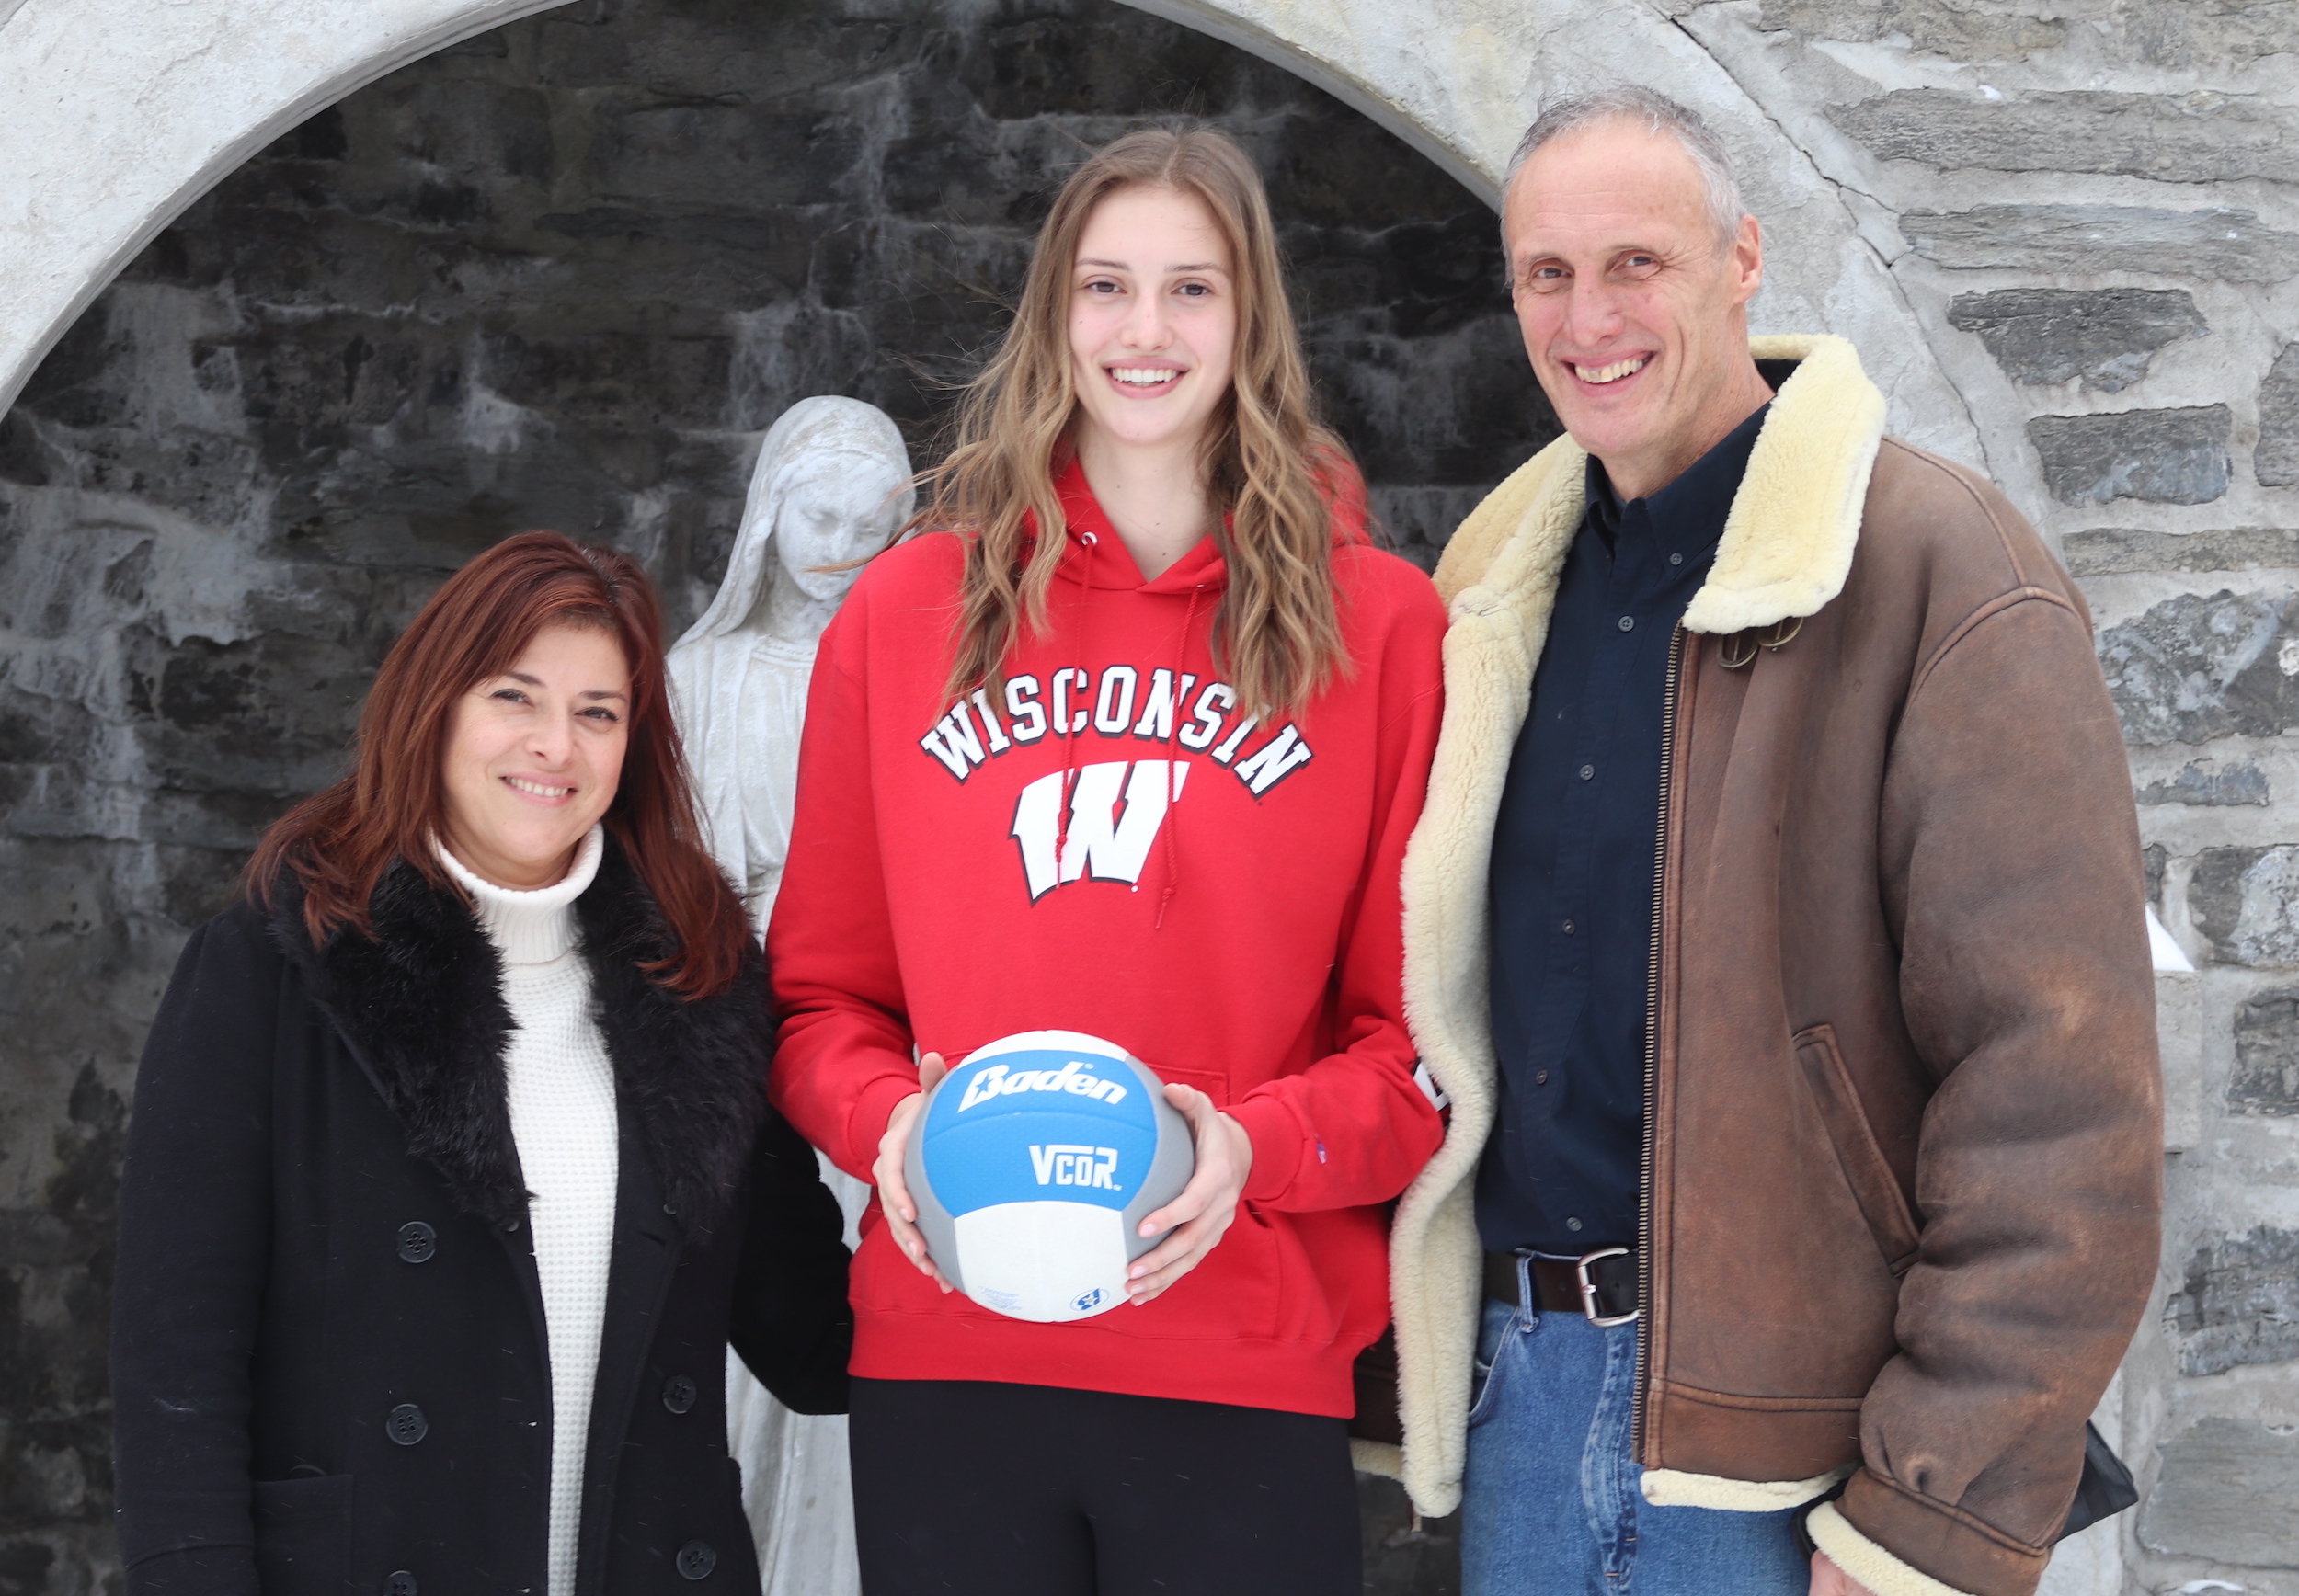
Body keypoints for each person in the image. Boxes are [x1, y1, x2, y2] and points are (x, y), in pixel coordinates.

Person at [1383, 88, 2162, 1596]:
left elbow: (2059, 1096)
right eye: (1548, 273)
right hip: (1526, 1396)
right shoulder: (1490, 592)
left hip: (1801, 1462)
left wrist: (1923, 1514)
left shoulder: (1943, 571)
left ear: (1743, 259)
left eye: (1637, 264)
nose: (1589, 316)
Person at [766, 125, 1448, 1596]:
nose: (1145, 333)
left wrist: (1243, 1148)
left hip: (1243, 1358)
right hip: (947, 1356)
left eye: (1192, 290)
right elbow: (819, 1006)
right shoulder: (901, 616)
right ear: (1053, 316)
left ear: (1251, 321)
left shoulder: (1385, 633)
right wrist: (889, 1127)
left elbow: (1423, 1060)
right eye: (1107, 288)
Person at [111, 531, 854, 1596]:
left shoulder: (704, 977)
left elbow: (811, 1333)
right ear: (437, 705)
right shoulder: (269, 967)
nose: (556, 744)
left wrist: (967, 1167)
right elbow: (173, 1362)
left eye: (598, 711)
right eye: (516, 696)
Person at [669, 393, 916, 1596]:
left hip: (879, 1050)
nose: (840, 548)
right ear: (767, 512)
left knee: (868, 1350)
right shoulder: (697, 679)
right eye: (819, 515)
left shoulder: (918, 673)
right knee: (746, 1341)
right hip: (737, 1042)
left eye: (873, 525)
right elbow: (673, 886)